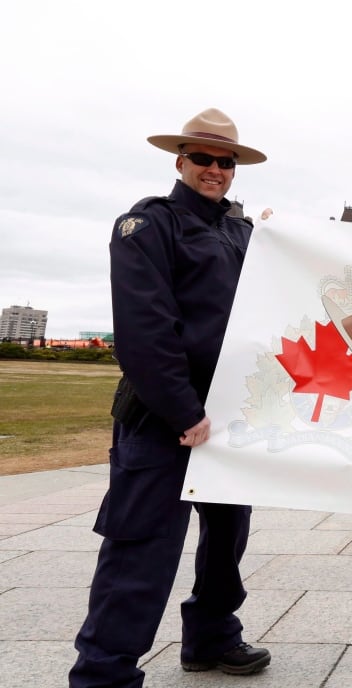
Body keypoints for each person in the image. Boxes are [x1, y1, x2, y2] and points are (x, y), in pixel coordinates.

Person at [70, 108, 271, 687]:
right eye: (203, 158)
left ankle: (210, 637)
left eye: (225, 161)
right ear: (179, 160)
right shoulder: (147, 226)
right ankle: (103, 673)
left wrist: (287, 238)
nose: (215, 169)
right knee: (141, 549)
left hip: (229, 416)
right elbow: (143, 330)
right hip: (164, 418)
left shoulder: (243, 233)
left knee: (227, 539)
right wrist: (184, 411)